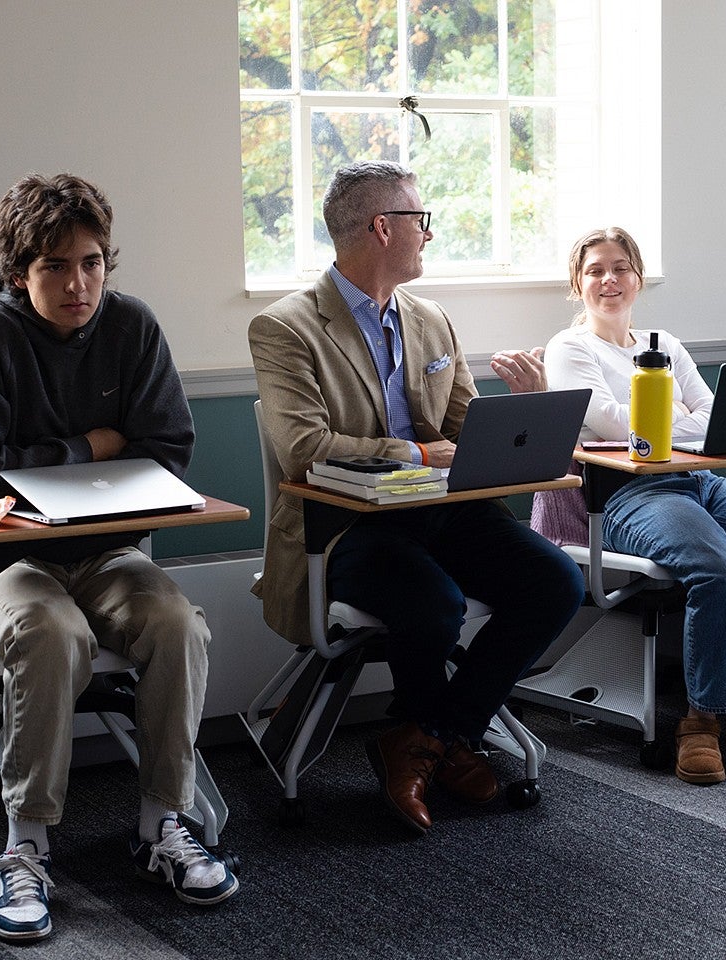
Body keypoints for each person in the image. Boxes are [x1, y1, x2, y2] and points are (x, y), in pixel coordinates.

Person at [0, 174, 237, 941]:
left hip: (103, 552)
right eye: (57, 267)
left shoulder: (132, 327)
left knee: (177, 623)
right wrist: (92, 446)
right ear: (18, 273)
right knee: (53, 631)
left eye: (94, 262)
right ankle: (25, 846)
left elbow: (168, 448)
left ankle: (161, 825)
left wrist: (39, 462)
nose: (80, 284)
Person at [248, 161, 584, 835]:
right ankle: (441, 742)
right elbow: (304, 448)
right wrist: (414, 453)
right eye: (420, 220)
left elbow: (464, 427)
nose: (428, 235)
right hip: (346, 527)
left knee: (556, 580)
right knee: (435, 606)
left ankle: (432, 739)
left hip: (445, 511)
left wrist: (521, 424)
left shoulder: (431, 320)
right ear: (382, 227)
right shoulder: (284, 328)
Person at [535, 226, 726, 784]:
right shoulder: (570, 348)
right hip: (625, 495)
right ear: (577, 283)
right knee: (720, 572)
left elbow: (712, 413)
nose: (610, 280)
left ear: (638, 276)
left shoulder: (664, 342)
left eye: (621, 268)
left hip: (700, 481)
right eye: (596, 270)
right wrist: (676, 423)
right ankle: (701, 723)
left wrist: (668, 425)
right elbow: (614, 422)